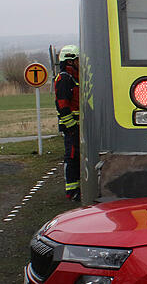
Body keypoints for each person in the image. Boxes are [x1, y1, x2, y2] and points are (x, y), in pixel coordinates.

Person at [55, 45, 80, 201]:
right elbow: (63, 106)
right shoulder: (64, 79)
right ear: (70, 61)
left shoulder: (74, 78)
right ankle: (71, 191)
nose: (80, 62)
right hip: (71, 127)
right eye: (77, 59)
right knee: (71, 157)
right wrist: (71, 127)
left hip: (77, 126)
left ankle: (77, 188)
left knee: (77, 157)